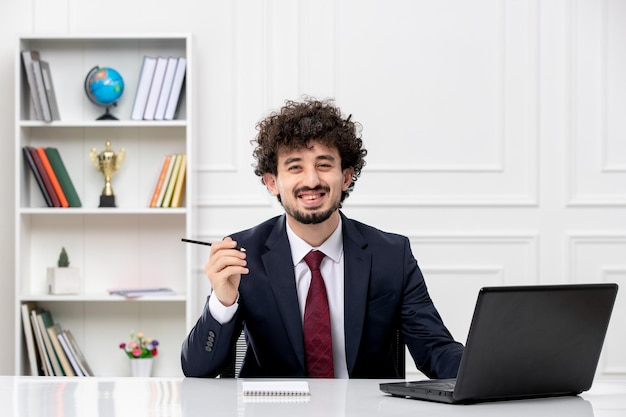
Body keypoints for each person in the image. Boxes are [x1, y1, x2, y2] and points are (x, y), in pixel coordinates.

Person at [181, 97, 464, 378]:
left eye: (324, 165)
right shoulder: (244, 256)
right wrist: (223, 303)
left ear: (346, 177)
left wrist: (494, 369)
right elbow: (197, 370)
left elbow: (435, 350)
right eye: (295, 167)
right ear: (271, 182)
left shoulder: (392, 254)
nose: (312, 180)